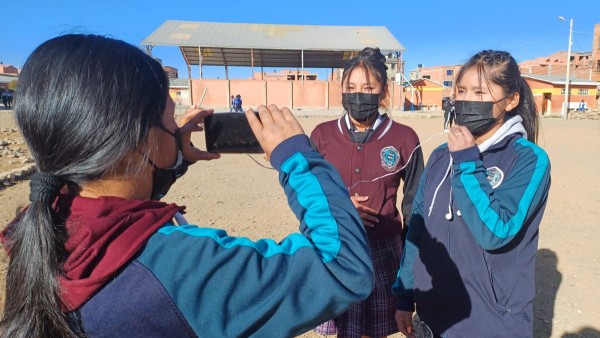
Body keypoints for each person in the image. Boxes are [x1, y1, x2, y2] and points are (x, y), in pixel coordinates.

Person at [0, 34, 375, 338]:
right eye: (168, 117)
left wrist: (167, 164)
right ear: (138, 140)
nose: (176, 125)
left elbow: (115, 207)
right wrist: (297, 156)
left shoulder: (37, 231)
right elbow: (342, 266)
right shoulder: (187, 268)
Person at [393, 50, 551, 337]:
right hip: (433, 320)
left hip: (491, 323)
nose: (467, 100)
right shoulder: (441, 156)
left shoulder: (528, 159)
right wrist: (404, 294)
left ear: (511, 100)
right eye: (462, 91)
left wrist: (467, 162)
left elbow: (496, 232)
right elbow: (418, 225)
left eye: (480, 92)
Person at [311, 47, 424, 338]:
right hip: (335, 248)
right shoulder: (322, 135)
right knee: (343, 330)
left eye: (368, 88)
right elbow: (307, 194)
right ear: (341, 90)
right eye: (351, 87)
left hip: (384, 252)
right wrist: (340, 208)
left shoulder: (405, 138)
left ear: (383, 91)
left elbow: (415, 207)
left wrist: (409, 280)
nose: (358, 95)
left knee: (372, 332)